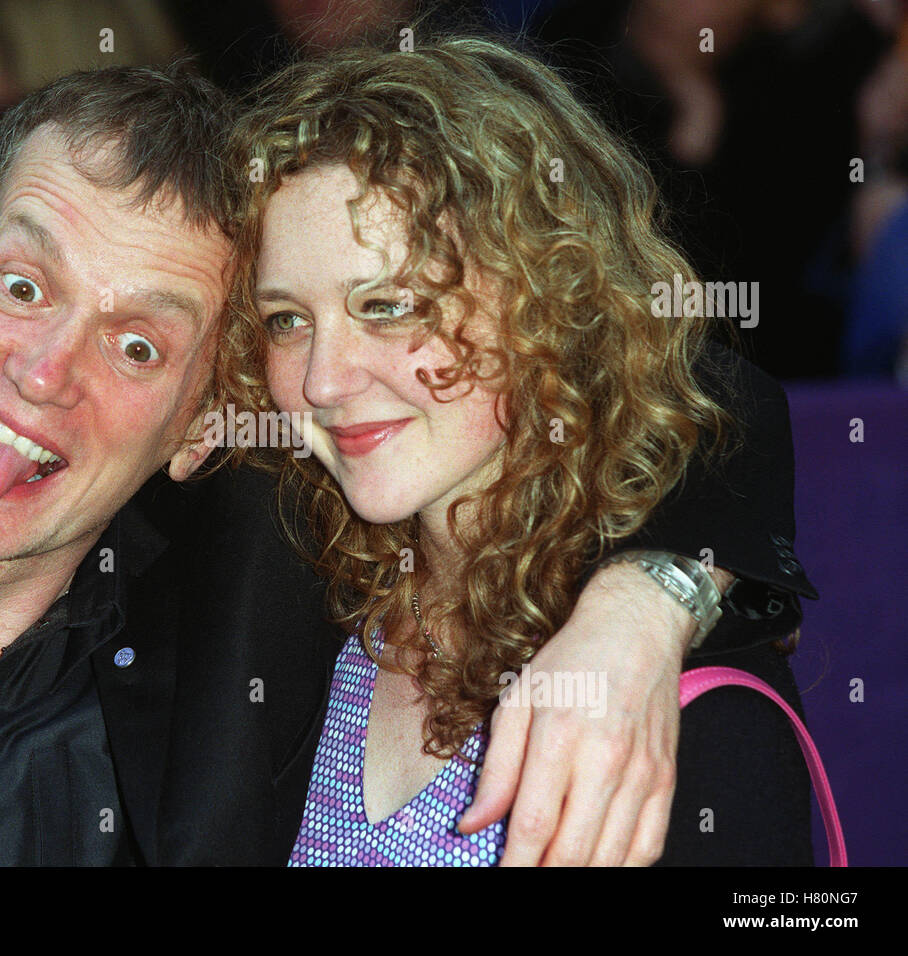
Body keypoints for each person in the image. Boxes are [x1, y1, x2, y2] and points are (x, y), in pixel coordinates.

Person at [0, 60, 810, 866]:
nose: (47, 371)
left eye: (139, 342)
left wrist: (646, 600)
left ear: (198, 422)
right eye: (23, 287)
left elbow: (699, 400)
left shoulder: (235, 615)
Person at [224, 35, 818, 865]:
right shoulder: (297, 591)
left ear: (547, 297)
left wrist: (649, 602)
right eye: (287, 319)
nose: (322, 379)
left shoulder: (656, 695)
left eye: (389, 304)